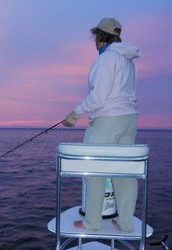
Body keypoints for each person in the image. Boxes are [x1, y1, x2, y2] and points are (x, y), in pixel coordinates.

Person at [63, 17, 140, 232]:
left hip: (107, 121)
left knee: (94, 171)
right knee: (124, 173)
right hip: (129, 120)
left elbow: (98, 97)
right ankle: (125, 223)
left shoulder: (106, 59)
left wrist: (74, 114)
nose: (95, 41)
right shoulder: (127, 59)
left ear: (100, 37)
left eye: (96, 37)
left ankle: (93, 222)